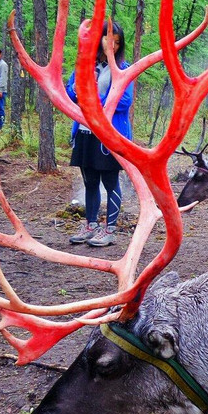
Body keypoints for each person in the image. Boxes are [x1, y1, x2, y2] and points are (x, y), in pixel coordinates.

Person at [65, 21, 133, 248]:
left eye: (116, 42)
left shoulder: (124, 68)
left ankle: (110, 229)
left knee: (110, 181)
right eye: (107, 39)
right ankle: (90, 225)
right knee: (90, 181)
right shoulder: (85, 66)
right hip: (85, 132)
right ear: (99, 39)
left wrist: (95, 103)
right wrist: (78, 91)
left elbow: (125, 100)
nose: (111, 45)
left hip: (110, 134)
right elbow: (69, 92)